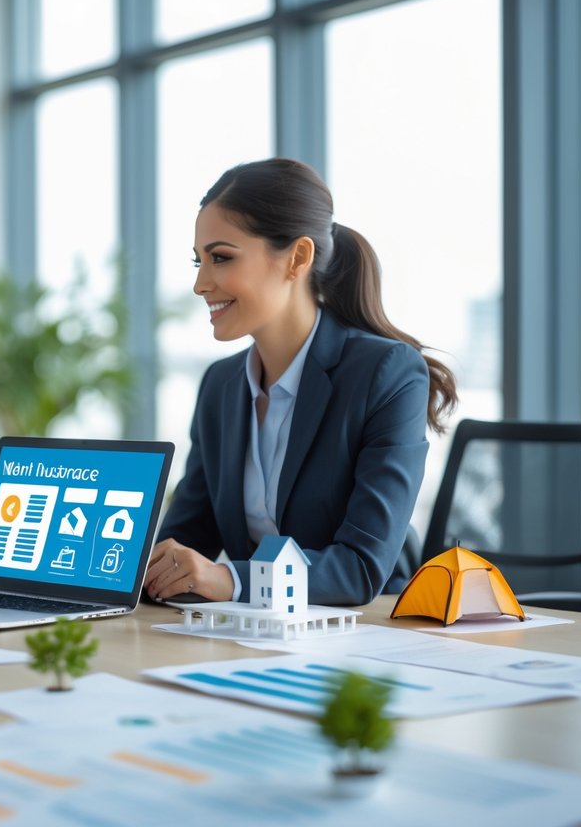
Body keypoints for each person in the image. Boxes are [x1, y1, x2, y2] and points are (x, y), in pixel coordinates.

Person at [144, 158, 456, 606]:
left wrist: (229, 581)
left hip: (365, 633)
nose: (200, 283)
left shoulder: (387, 373)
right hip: (256, 635)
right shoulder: (220, 386)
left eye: (220, 257)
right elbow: (183, 545)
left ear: (297, 258)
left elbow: (359, 567)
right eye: (199, 261)